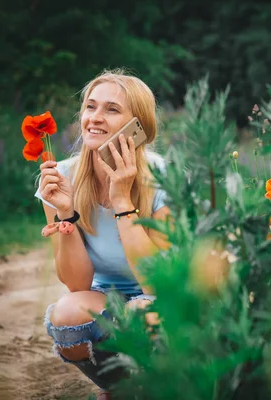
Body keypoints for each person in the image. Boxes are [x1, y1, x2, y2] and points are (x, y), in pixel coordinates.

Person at [35, 69, 170, 399]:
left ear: (138, 126)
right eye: (90, 107)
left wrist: (122, 198)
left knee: (144, 316)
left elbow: (158, 282)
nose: (94, 118)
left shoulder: (161, 175)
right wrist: (66, 213)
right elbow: (77, 284)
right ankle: (119, 387)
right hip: (103, 297)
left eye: (112, 109)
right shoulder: (61, 177)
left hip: (162, 299)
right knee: (67, 316)